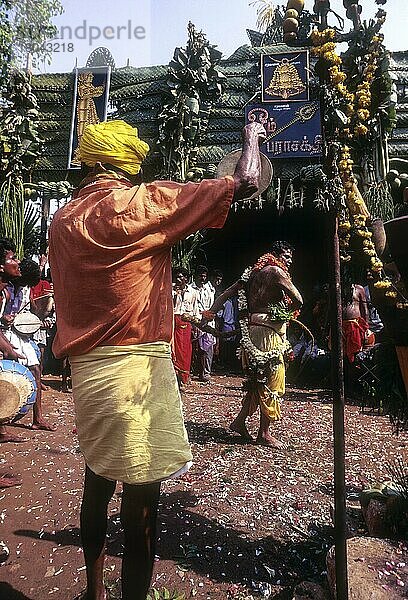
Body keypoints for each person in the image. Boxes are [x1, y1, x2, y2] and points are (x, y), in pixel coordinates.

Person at [48, 118, 265, 600]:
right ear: (123, 165)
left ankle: (92, 590)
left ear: (89, 162)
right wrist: (251, 134)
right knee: (142, 502)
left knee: (97, 478)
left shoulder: (61, 222)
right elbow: (246, 181)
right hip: (137, 367)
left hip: (87, 374)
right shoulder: (142, 203)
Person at [203, 241, 303, 448]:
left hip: (253, 329)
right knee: (272, 379)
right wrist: (286, 309)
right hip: (268, 333)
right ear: (275, 254)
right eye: (287, 255)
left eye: (292, 257)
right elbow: (299, 299)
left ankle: (239, 422)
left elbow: (224, 295)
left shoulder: (251, 274)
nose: (290, 260)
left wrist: (208, 315)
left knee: (257, 380)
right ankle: (264, 433)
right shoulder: (276, 271)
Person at [1, 258, 55, 431]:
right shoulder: (4, 288)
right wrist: (3, 319)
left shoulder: (26, 290)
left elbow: (30, 313)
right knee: (5, 375)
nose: (26, 284)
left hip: (19, 335)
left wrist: (40, 320)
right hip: (3, 334)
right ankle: (3, 425)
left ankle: (37, 418)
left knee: (36, 370)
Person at [0, 238, 27, 487]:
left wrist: (8, 350)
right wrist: (8, 350)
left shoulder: (4, 290)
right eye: (11, 258)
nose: (17, 262)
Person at [172, 266, 199, 387]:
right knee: (173, 349)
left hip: (185, 322)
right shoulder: (169, 290)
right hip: (172, 321)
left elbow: (195, 310)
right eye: (176, 277)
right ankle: (174, 377)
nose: (177, 280)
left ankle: (184, 376)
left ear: (186, 279)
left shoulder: (193, 292)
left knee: (185, 349)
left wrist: (196, 325)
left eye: (180, 277)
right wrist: (175, 294)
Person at [191, 265, 217, 382]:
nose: (203, 278)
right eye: (200, 276)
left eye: (204, 276)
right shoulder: (190, 289)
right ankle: (194, 372)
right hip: (194, 321)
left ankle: (206, 373)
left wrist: (209, 315)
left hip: (208, 323)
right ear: (195, 276)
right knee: (196, 349)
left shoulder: (209, 289)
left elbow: (212, 306)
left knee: (208, 348)